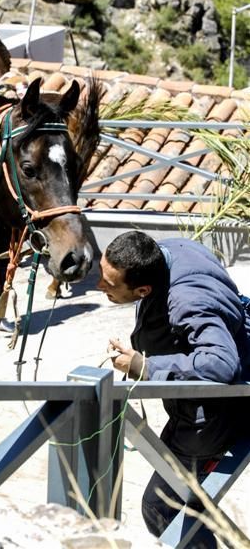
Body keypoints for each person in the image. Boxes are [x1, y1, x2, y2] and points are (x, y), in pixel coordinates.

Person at [97, 230, 250, 548]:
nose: (100, 287)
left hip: (218, 416)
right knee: (190, 502)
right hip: (202, 405)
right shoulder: (167, 251)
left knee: (163, 506)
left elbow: (222, 363)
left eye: (109, 285)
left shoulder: (188, 300)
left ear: (142, 289)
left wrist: (144, 367)